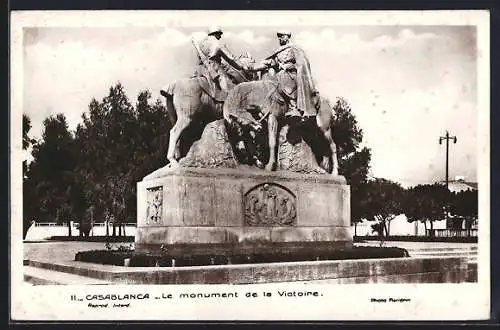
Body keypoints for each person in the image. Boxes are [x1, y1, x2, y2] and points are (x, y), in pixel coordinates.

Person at [249, 30, 320, 120]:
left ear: (287, 36)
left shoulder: (293, 48)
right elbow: (272, 62)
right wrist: (255, 67)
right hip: (281, 73)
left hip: (292, 74)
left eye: (282, 36)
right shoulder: (278, 51)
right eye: (279, 36)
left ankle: (293, 106)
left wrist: (288, 66)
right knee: (267, 77)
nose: (280, 38)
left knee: (282, 76)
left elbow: (302, 63)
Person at [194, 26, 247, 97]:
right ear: (216, 34)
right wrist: (242, 67)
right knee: (231, 93)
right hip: (215, 68)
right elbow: (231, 59)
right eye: (219, 35)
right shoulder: (218, 43)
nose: (220, 37)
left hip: (200, 70)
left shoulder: (201, 44)